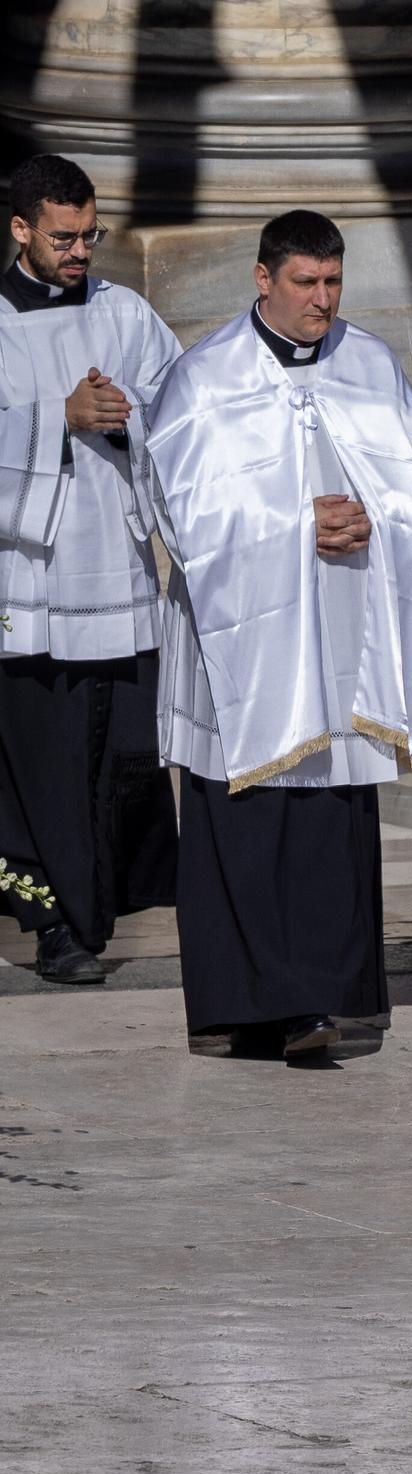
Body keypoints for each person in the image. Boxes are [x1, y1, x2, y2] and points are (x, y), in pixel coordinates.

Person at [147, 211, 412, 1060]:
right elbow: (177, 504)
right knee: (246, 815)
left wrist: (371, 519)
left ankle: (322, 996)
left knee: (328, 817)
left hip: (343, 623)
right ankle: (249, 1003)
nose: (323, 302)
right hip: (244, 635)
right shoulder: (204, 378)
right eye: (306, 284)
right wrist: (293, 524)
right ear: (263, 278)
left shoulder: (371, 363)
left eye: (333, 283)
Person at [0, 154, 179, 983]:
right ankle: (57, 928)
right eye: (64, 237)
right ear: (21, 229)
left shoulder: (127, 314)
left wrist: (127, 421)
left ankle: (100, 909)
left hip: (116, 573)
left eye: (91, 234)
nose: (81, 251)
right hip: (28, 587)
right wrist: (56, 419)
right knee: (44, 765)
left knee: (112, 758)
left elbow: (183, 420)